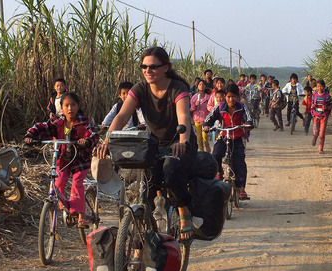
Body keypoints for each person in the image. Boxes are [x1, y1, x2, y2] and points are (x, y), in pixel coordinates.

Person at [97, 46, 197, 241]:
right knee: (147, 184)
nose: (147, 71)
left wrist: (182, 142)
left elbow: (183, 117)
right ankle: (143, 235)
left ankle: (184, 211)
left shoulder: (178, 88)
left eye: (153, 67)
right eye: (144, 66)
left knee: (170, 169)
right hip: (153, 144)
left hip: (179, 142)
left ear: (166, 67)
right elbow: (122, 116)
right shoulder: (139, 89)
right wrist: (107, 140)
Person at [25, 92, 99, 228]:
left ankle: (81, 216)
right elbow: (42, 127)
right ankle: (66, 208)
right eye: (66, 105)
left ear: (78, 106)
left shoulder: (84, 122)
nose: (70, 108)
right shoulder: (57, 122)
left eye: (73, 105)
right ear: (62, 108)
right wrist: (31, 135)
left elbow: (93, 135)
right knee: (57, 183)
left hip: (80, 160)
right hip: (62, 160)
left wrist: (87, 141)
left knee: (77, 183)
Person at [203, 84, 253, 200]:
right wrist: (206, 126)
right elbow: (208, 118)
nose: (231, 99)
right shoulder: (219, 107)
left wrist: (248, 124)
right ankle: (219, 173)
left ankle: (241, 189)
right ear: (225, 96)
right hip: (224, 135)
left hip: (237, 137)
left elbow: (248, 118)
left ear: (238, 97)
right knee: (215, 155)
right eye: (229, 97)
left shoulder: (242, 107)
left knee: (239, 161)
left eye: (234, 97)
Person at [311, 79, 332, 153]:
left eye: (321, 86)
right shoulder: (314, 95)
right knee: (316, 131)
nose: (319, 88)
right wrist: (312, 106)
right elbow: (312, 103)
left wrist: (327, 107)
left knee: (322, 134)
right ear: (316, 87)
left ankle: (321, 149)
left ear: (324, 87)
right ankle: (314, 138)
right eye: (318, 86)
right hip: (316, 117)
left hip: (324, 117)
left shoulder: (327, 96)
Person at [190, 80, 211, 152]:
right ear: (197, 86)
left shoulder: (208, 97)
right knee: (199, 137)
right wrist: (196, 105)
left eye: (203, 84)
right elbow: (191, 108)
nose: (201, 86)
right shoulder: (194, 97)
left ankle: (207, 148)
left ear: (205, 86)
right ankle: (202, 151)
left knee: (205, 136)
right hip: (197, 119)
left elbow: (210, 107)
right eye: (200, 84)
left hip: (206, 120)